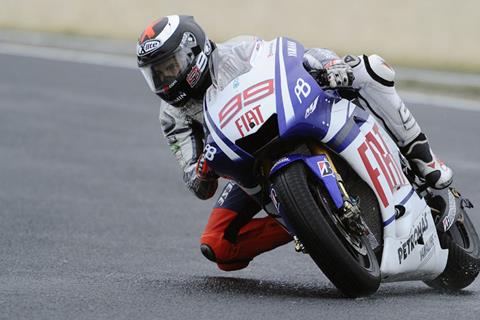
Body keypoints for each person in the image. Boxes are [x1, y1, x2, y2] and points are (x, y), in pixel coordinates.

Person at [136, 15, 453, 271]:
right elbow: (197, 184)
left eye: (170, 66)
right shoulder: (172, 118)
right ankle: (312, 225)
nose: (166, 79)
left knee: (368, 69)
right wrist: (202, 170)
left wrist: (327, 65)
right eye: (157, 74)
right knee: (218, 246)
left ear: (194, 51)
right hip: (249, 166)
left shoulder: (237, 51)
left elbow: (295, 56)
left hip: (294, 116)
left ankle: (421, 156)